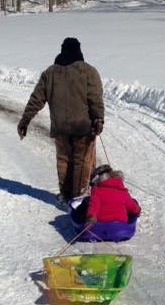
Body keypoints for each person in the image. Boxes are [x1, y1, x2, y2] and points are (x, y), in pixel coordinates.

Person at [17, 37, 104, 202]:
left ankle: (65, 195)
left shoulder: (50, 73)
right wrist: (98, 118)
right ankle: (79, 197)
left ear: (62, 50)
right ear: (79, 51)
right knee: (82, 162)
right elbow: (95, 98)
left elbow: (37, 99)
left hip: (60, 128)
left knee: (64, 161)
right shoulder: (88, 71)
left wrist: (25, 119)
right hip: (83, 127)